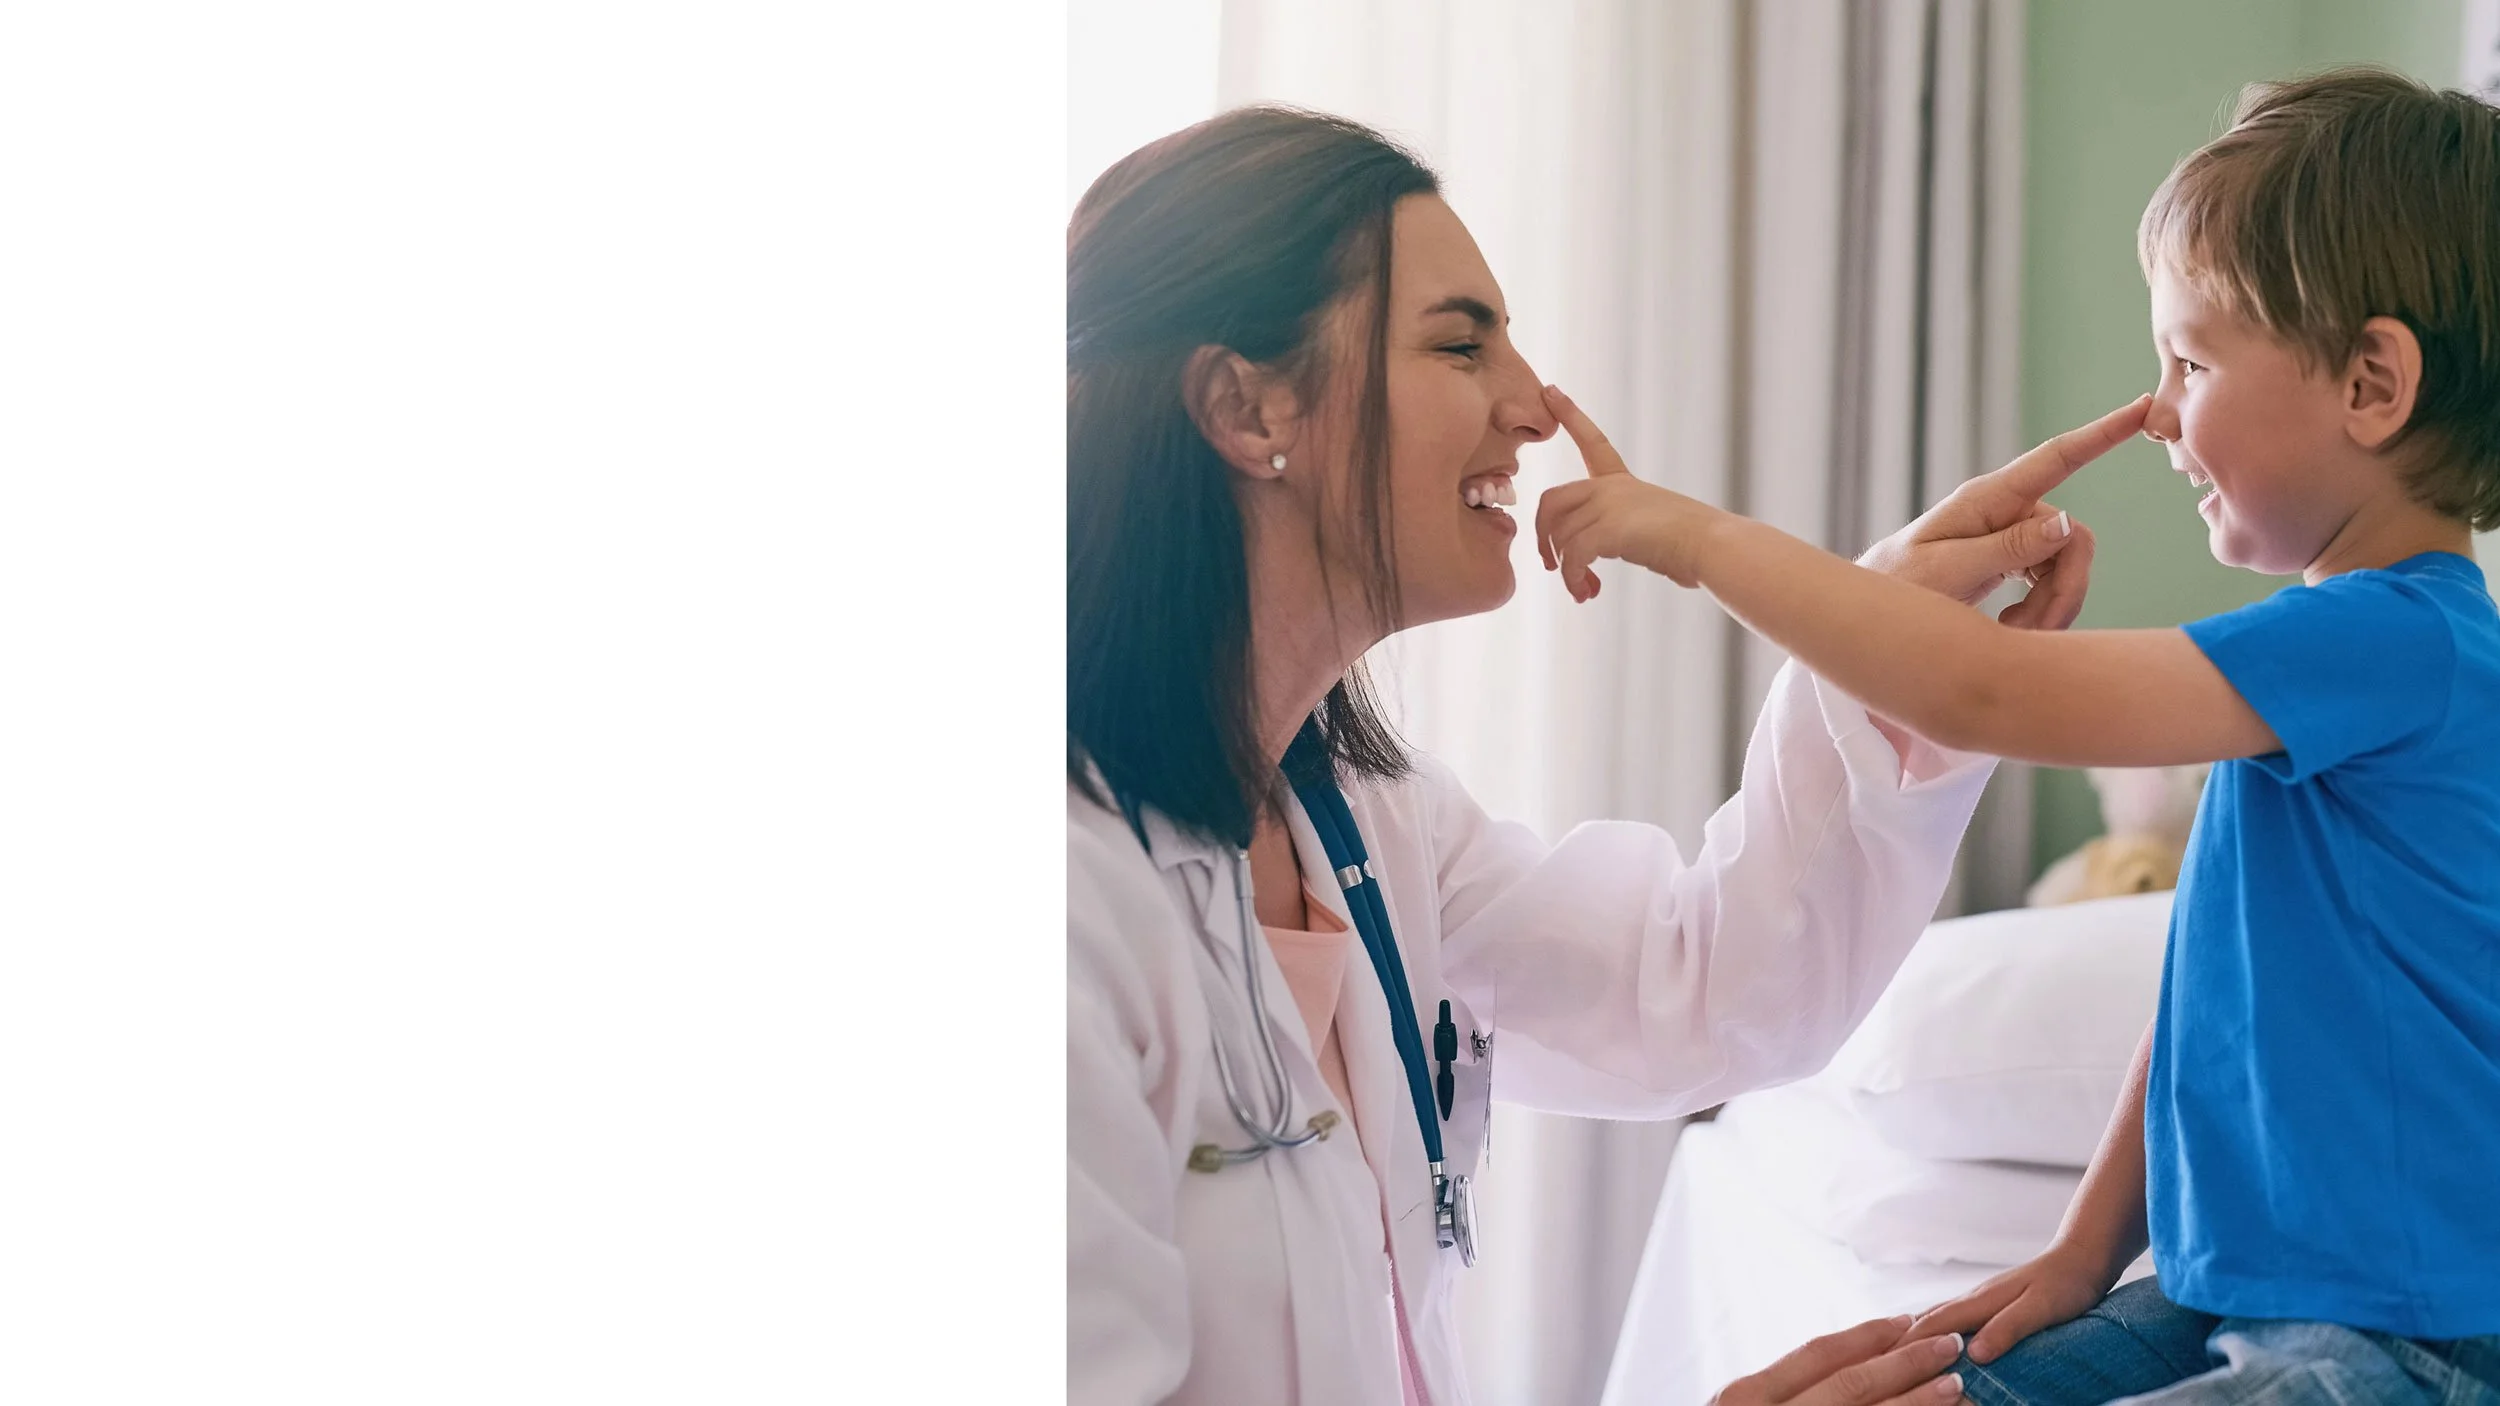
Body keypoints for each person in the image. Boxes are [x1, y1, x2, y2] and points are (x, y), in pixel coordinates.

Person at [1067, 104, 2131, 1406]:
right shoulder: (1068, 906)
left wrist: (1886, 637)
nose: (1535, 407)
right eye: (1463, 344)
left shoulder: (1370, 830)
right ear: (1245, 406)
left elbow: (1704, 989)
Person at [1534, 68, 2500, 1406]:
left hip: (2402, 1340)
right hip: (2237, 1285)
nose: (2161, 409)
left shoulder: (2396, 642)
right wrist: (2077, 1252)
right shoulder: (2334, 650)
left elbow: (1975, 692)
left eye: (2194, 361)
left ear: (2371, 383)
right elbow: (2208, 1009)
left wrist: (1697, 538)